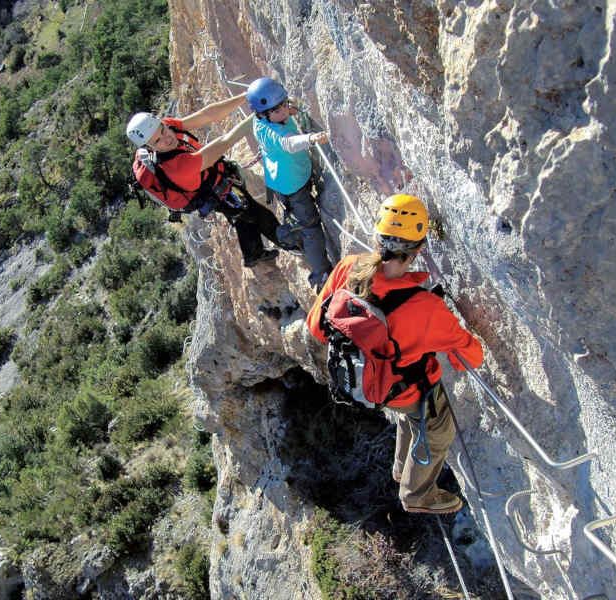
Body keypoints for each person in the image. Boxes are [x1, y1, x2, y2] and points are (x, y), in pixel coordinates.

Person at [306, 194, 484, 515]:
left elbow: (316, 327)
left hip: (362, 378)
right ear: (417, 249)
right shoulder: (424, 307)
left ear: (378, 237)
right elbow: (472, 355)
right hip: (399, 387)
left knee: (409, 413)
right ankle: (416, 494)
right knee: (437, 426)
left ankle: (402, 467)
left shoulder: (350, 267)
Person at [126, 93, 281, 267]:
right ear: (150, 148)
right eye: (158, 141)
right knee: (257, 214)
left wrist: (246, 96)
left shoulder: (168, 127)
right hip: (210, 191)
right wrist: (264, 113)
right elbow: (225, 141)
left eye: (163, 130)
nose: (167, 138)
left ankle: (253, 254)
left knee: (241, 212)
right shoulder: (176, 166)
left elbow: (207, 115)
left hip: (212, 174)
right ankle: (293, 242)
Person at [247, 77, 332, 290]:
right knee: (311, 228)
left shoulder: (268, 118)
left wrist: (288, 111)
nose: (284, 111)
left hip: (290, 178)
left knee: (303, 218)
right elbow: (289, 143)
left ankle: (293, 231)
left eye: (284, 104)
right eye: (277, 110)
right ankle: (321, 275)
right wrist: (312, 138)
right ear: (262, 114)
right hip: (291, 186)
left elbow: (284, 115)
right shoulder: (269, 131)